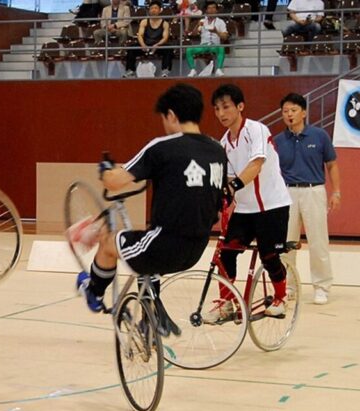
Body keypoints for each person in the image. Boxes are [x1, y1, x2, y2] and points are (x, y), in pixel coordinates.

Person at [75, 83, 226, 313]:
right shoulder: (218, 150)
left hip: (163, 246)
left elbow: (114, 182)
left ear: (171, 115)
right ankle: (151, 316)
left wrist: (105, 170)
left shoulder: (162, 147)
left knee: (107, 242)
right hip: (197, 248)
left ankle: (93, 292)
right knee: (146, 245)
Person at [210, 83, 292, 320]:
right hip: (245, 210)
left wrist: (233, 186)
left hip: (272, 206)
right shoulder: (224, 143)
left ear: (240, 106)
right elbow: (226, 178)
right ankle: (226, 302)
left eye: (226, 107)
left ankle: (281, 297)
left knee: (269, 255)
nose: (221, 113)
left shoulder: (257, 130)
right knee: (226, 253)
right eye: (217, 109)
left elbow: (256, 165)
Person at [274, 92, 340, 305]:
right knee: (286, 243)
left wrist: (336, 192)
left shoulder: (319, 136)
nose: (289, 114)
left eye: (293, 110)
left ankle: (322, 287)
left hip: (314, 191)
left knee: (318, 241)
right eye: (285, 111)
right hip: (287, 194)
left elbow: (332, 164)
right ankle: (288, 286)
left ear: (303, 112)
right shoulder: (278, 141)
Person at [124, 0, 172, 78]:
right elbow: (140, 35)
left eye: (156, 8)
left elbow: (165, 38)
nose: (153, 10)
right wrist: (143, 45)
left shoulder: (165, 23)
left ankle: (165, 71)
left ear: (160, 10)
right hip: (145, 44)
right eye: (152, 8)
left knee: (169, 49)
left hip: (158, 45)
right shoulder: (144, 21)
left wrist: (157, 45)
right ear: (149, 10)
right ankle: (130, 70)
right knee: (131, 48)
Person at [186, 1, 229, 77]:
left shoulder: (220, 22)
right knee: (189, 50)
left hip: (214, 46)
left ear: (216, 10)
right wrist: (197, 26)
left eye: (213, 8)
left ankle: (219, 69)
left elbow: (225, 37)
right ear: (206, 10)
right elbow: (194, 34)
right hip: (203, 46)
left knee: (221, 48)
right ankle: (193, 70)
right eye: (209, 8)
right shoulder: (202, 21)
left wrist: (216, 32)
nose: (211, 10)